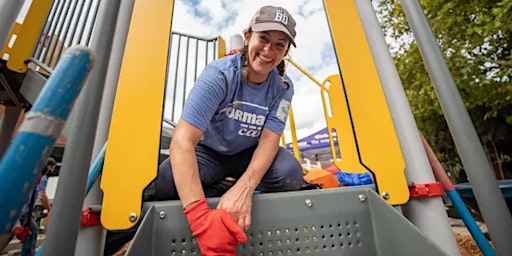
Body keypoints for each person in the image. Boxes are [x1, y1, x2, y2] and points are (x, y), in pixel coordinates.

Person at [153, 5, 304, 255]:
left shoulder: (283, 86)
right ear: (248, 37)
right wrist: (201, 220)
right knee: (166, 181)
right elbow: (182, 141)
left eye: (279, 45)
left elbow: (269, 140)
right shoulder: (220, 74)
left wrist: (244, 187)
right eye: (263, 38)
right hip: (209, 152)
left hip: (247, 154)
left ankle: (235, 189)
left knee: (291, 174)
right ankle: (222, 190)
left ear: (286, 51)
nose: (268, 50)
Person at [16, 157, 54, 256]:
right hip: (24, 211)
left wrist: (31, 212)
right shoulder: (42, 178)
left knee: (29, 231)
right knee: (33, 231)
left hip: (24, 211)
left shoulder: (32, 178)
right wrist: (49, 209)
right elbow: (42, 195)